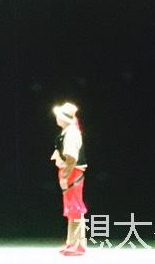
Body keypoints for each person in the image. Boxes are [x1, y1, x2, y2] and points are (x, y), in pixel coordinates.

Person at [51, 102, 87, 257]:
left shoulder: (71, 133)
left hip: (72, 172)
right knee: (72, 209)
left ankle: (77, 244)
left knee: (75, 208)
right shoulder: (68, 131)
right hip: (69, 170)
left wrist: (65, 174)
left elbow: (71, 158)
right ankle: (72, 242)